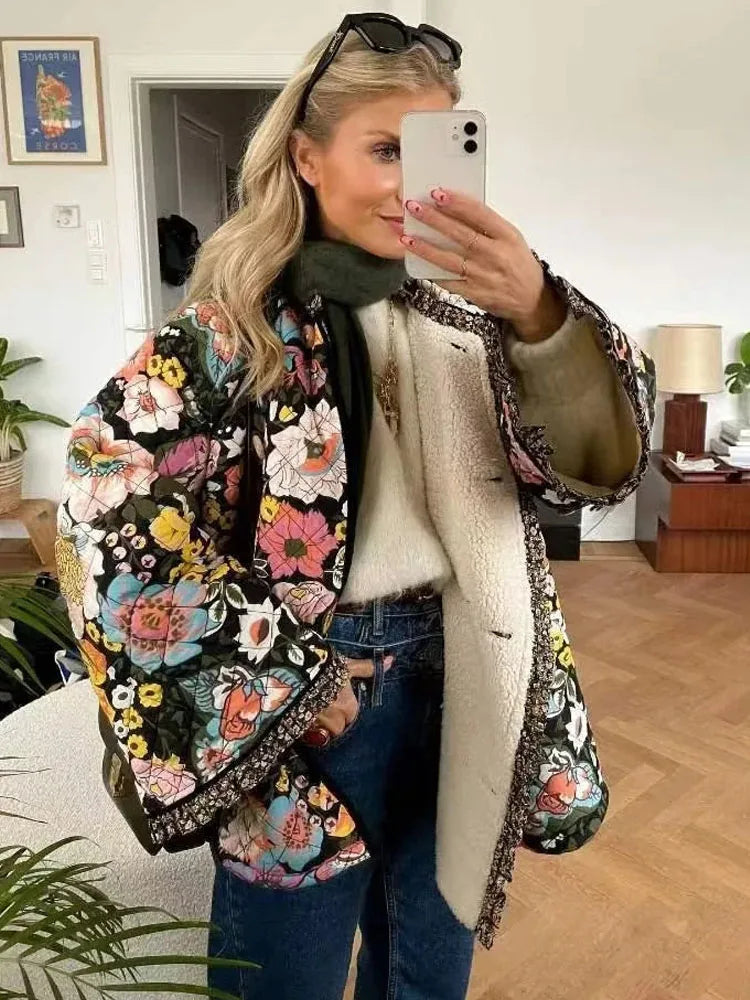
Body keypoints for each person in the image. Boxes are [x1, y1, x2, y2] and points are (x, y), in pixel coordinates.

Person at [55, 12, 656, 1000]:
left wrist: (540, 313)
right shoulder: (234, 326)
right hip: (315, 704)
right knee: (280, 975)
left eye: (437, 147)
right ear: (307, 157)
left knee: (429, 969)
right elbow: (97, 496)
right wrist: (280, 673)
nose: (413, 183)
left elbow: (595, 464)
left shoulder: (478, 309)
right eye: (386, 149)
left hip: (466, 681)